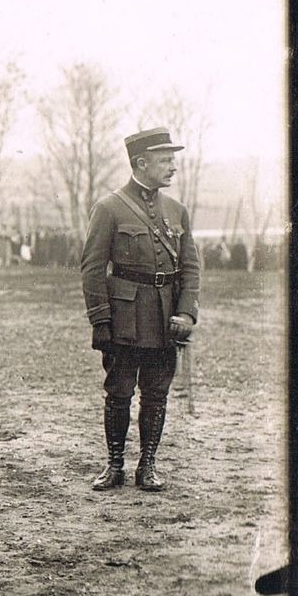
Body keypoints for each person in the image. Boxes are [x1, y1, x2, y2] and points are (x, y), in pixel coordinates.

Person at [80, 127, 200, 492]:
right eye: (165, 160)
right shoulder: (109, 208)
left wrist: (186, 313)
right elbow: (91, 267)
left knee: (156, 393)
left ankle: (147, 466)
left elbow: (191, 267)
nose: (173, 167)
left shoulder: (176, 211)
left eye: (173, 160)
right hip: (124, 320)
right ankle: (114, 464)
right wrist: (100, 320)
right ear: (141, 163)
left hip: (165, 320)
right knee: (119, 392)